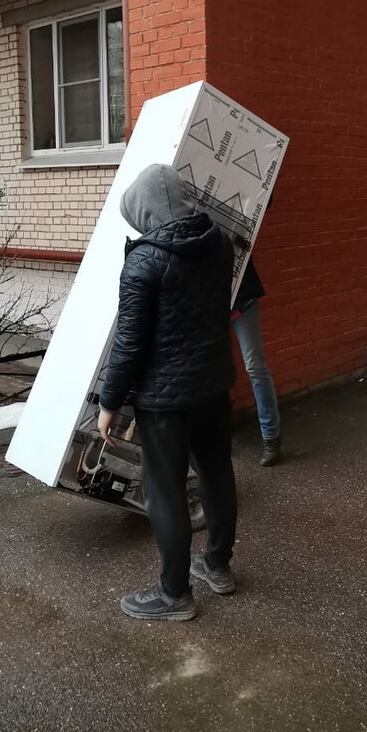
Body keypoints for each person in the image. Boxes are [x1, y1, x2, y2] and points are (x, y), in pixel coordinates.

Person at [97, 164, 238, 622]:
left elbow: (129, 342)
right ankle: (217, 566)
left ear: (145, 213)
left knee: (165, 494)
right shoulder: (219, 243)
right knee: (217, 476)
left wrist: (109, 402)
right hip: (213, 386)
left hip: (165, 402)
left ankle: (174, 593)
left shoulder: (144, 261)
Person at [232, 259, 282, 466]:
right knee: (211, 371)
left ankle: (271, 437)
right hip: (208, 305)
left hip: (242, 301)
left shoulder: (232, 236)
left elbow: (243, 254)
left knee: (255, 367)